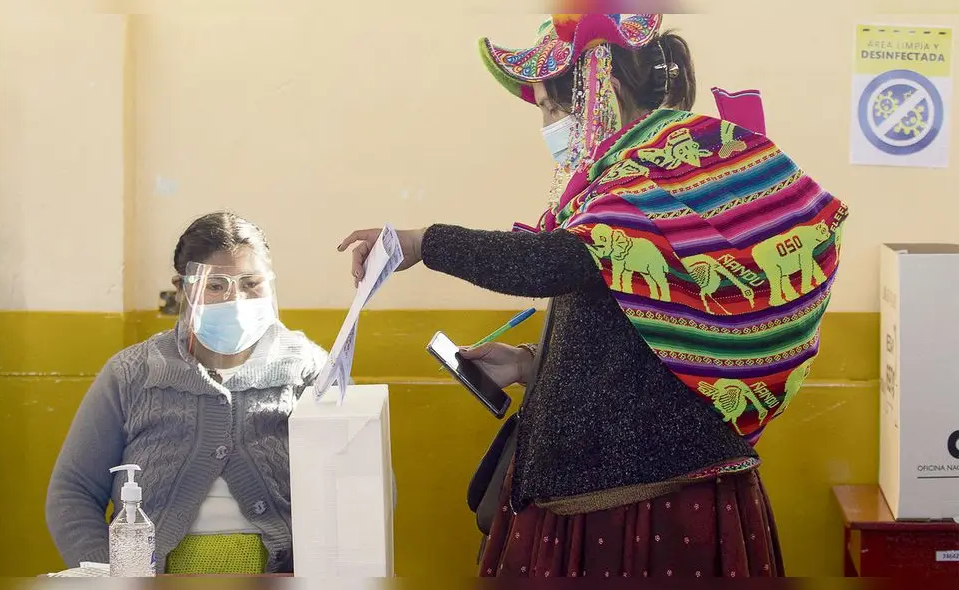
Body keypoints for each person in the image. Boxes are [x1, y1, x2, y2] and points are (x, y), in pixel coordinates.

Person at [340, 13, 848, 578]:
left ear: (600, 90)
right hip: (625, 476)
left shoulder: (658, 171)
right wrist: (533, 366)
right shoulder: (625, 178)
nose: (549, 125)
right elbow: (636, 327)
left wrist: (422, 243)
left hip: (647, 498)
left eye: (554, 109)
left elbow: (553, 262)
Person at [46, 211, 329, 575]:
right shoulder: (132, 374)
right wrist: (113, 577)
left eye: (251, 283)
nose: (236, 299)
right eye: (215, 285)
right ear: (181, 288)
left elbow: (356, 482)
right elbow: (73, 492)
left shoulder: (310, 370)